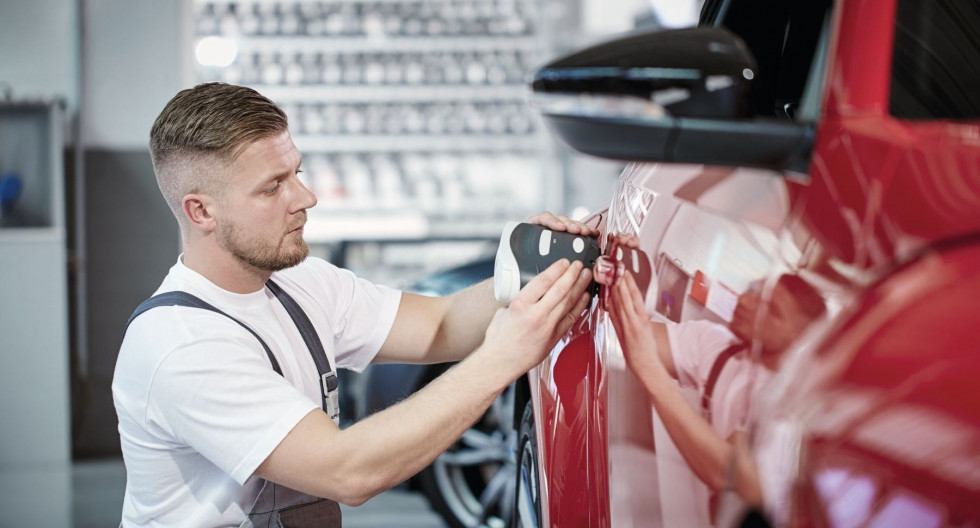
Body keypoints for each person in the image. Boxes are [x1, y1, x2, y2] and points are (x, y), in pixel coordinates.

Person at [111, 82, 595, 527]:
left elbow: (439, 326)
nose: (306, 197)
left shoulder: (301, 283)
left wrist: (528, 273)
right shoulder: (183, 346)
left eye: (295, 172)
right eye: (272, 186)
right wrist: (502, 359)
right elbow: (348, 472)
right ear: (201, 211)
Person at [599, 245, 825, 508]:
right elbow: (636, 334)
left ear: (800, 340)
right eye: (754, 291)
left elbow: (727, 473)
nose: (747, 303)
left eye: (771, 309)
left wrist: (647, 367)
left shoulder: (794, 410)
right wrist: (616, 276)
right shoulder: (718, 345)